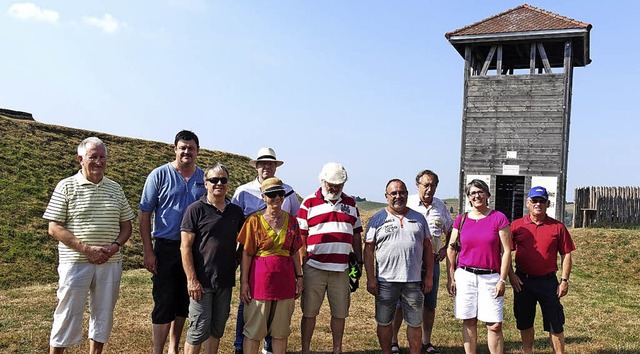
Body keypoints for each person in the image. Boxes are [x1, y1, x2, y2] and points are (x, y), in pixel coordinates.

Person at [43, 137, 135, 354]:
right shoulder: (66, 186)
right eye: (93, 157)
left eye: (102, 157)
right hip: (75, 262)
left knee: (103, 313)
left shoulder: (115, 188)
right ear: (80, 159)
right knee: (67, 312)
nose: (99, 161)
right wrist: (86, 249)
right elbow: (54, 227)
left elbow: (126, 226)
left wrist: (115, 246)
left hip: (109, 261)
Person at [139, 130, 207, 354]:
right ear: (175, 149)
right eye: (183, 147)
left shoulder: (203, 179)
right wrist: (148, 250)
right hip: (166, 246)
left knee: (184, 301)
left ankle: (173, 347)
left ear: (197, 151)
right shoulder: (158, 175)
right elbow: (145, 213)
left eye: (191, 148)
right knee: (163, 300)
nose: (187, 151)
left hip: (194, 248)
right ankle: (158, 350)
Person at [231, 147, 300, 354]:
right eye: (271, 195)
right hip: (259, 280)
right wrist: (244, 282)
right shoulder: (250, 212)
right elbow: (246, 251)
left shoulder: (292, 218)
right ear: (263, 197)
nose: (275, 198)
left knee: (280, 331)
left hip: (285, 280)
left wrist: (300, 276)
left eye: (279, 194)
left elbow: (295, 250)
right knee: (253, 327)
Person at [297, 162, 363, 354]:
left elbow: (357, 233)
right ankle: (305, 349)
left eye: (339, 185)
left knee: (340, 313)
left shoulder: (351, 203)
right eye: (330, 185)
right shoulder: (308, 202)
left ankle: (337, 349)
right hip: (314, 266)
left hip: (341, 268)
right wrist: (303, 263)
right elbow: (301, 235)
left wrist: (358, 261)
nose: (334, 189)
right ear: (322, 180)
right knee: (309, 312)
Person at [180, 163, 245, 354]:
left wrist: (236, 261)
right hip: (201, 282)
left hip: (224, 281)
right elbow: (185, 247)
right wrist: (192, 280)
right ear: (205, 183)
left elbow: (243, 242)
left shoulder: (235, 212)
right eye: (214, 180)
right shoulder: (195, 210)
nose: (219, 183)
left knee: (217, 329)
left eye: (223, 180)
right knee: (198, 330)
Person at [364, 179, 434, 354]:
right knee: (384, 321)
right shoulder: (377, 219)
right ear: (386, 196)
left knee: (415, 323)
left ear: (407, 194)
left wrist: (428, 276)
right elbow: (368, 250)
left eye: (401, 192)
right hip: (385, 281)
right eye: (393, 193)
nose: (398, 196)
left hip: (413, 281)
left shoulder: (419, 219)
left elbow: (428, 248)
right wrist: (371, 278)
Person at [446, 179, 512, 354]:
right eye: (473, 193)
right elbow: (451, 249)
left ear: (488, 195)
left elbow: (506, 251)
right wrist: (450, 277)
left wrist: (502, 280)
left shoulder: (499, 218)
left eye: (480, 192)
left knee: (495, 325)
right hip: (465, 276)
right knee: (469, 321)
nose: (477, 196)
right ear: (468, 198)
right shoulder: (461, 220)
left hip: (490, 277)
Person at [391, 170, 453, 354]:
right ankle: (394, 341)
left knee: (429, 303)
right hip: (409, 262)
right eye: (426, 185)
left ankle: (426, 342)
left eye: (433, 185)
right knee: (401, 303)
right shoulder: (407, 203)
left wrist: (445, 248)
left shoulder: (440, 206)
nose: (429, 188)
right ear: (417, 185)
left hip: (432, 262)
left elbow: (451, 228)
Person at [509, 186, 575, 354]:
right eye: (534, 201)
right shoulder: (516, 226)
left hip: (548, 282)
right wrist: (511, 275)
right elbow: (505, 252)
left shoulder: (557, 227)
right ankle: (528, 351)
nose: (538, 204)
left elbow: (566, 254)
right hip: (523, 281)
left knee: (555, 322)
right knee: (525, 321)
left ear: (547, 204)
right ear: (528, 203)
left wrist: (564, 280)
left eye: (542, 201)